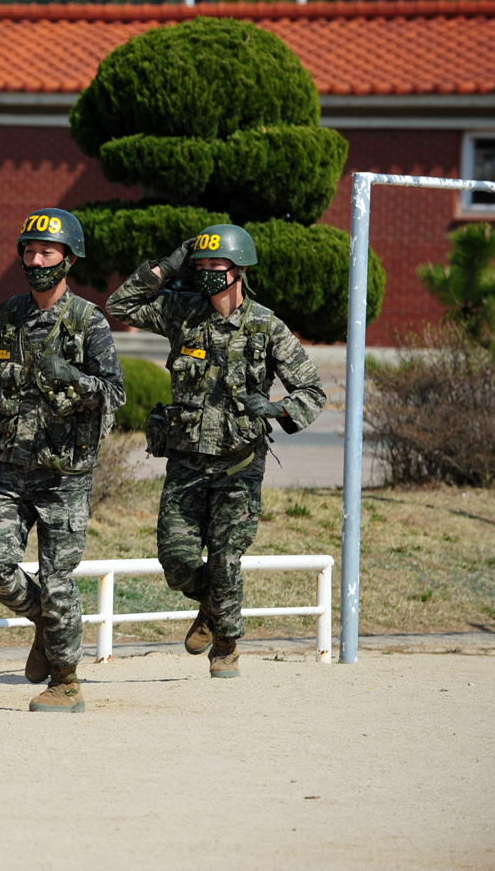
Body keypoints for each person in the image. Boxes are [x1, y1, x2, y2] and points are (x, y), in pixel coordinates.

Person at [106, 224, 326, 678]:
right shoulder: (181, 312)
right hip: (185, 463)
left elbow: (312, 390)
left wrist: (277, 408)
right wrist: (168, 265)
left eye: (215, 266)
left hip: (239, 466)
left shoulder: (266, 325)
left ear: (239, 270)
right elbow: (119, 305)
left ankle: (226, 642)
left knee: (227, 558)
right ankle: (211, 604)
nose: (205, 274)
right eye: (200, 265)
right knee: (177, 563)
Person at [0, 209, 126, 713]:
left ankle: (67, 683)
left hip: (63, 473)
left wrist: (72, 375)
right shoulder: (8, 315)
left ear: (68, 259)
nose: (35, 260)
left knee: (57, 581)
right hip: (10, 466)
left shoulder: (88, 320)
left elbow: (113, 392)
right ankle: (47, 625)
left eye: (46, 252)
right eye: (28, 251)